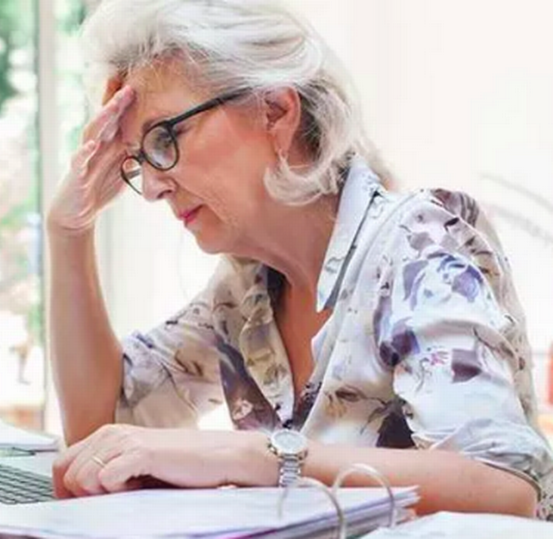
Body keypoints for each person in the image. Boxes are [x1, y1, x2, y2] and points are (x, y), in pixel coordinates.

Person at [46, 0, 553, 519]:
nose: (151, 185)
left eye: (164, 138)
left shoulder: (418, 242)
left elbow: (505, 488)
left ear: (276, 113)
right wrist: (69, 231)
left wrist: (257, 457)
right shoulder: (245, 293)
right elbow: (96, 438)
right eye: (138, 158)